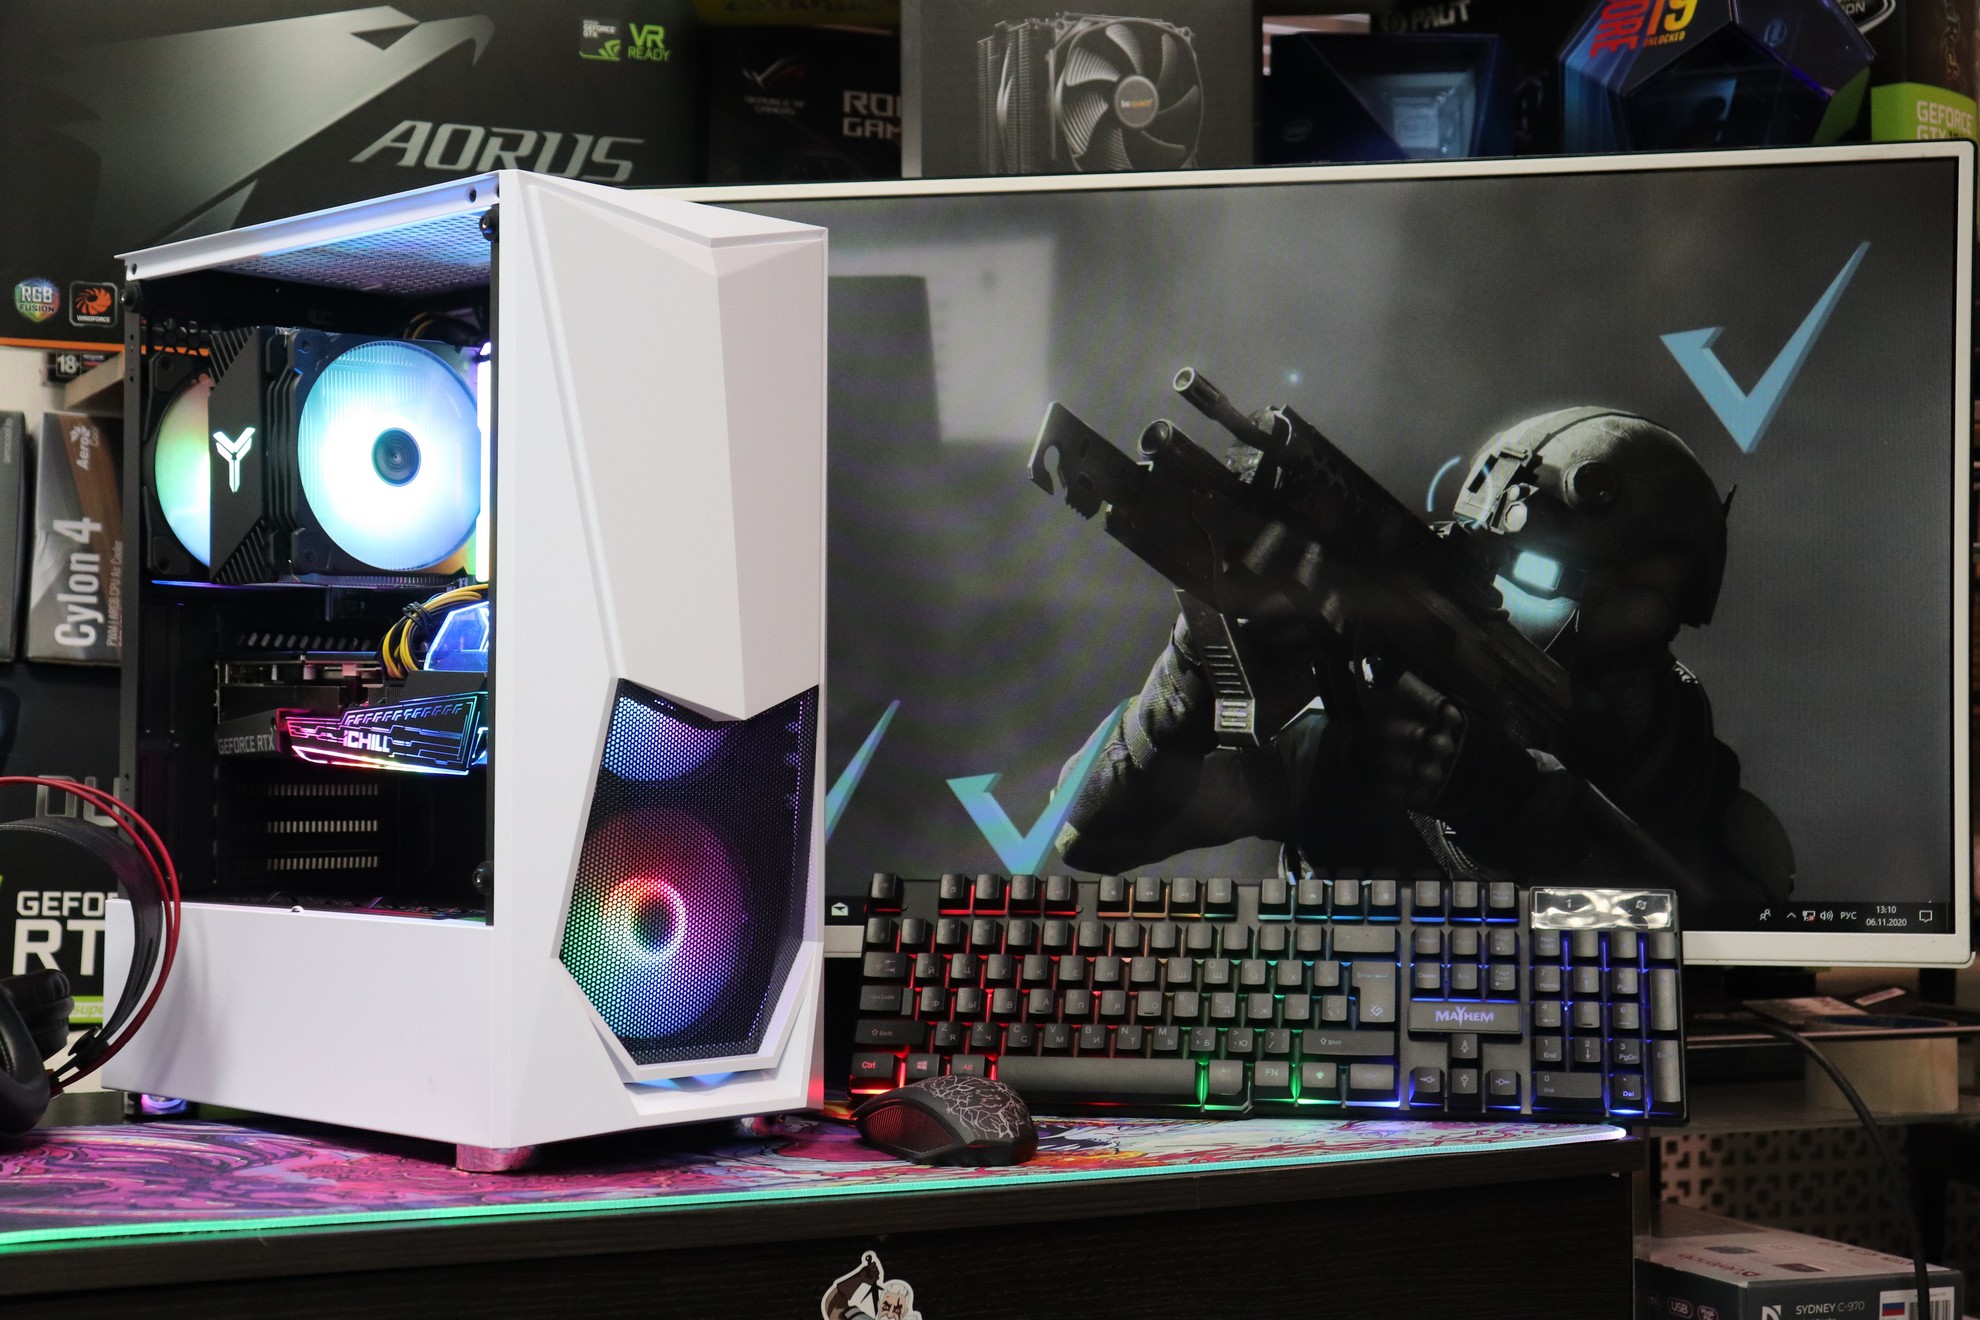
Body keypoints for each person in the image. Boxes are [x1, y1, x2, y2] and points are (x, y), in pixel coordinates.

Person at [1054, 407, 1795, 912]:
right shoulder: (1349, 741)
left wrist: (1505, 803)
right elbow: (1091, 835)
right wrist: (1189, 682)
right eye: (1485, 567)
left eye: (1542, 576)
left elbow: (1679, 955)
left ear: (1652, 608)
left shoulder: (1701, 803)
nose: (1511, 600)